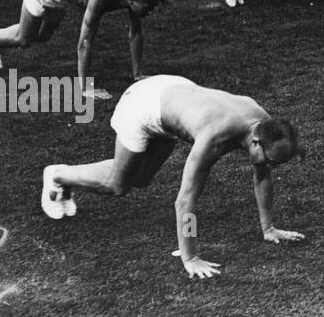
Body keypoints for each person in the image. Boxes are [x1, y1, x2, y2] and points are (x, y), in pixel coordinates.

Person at [41, 75, 304, 280]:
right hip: (142, 106)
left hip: (172, 90)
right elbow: (185, 201)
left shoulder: (266, 127)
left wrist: (269, 228)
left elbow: (262, 175)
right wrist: (191, 258)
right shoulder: (214, 137)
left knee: (141, 178)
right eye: (271, 161)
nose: (272, 167)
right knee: (118, 184)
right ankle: (57, 175)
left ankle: (69, 176)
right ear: (256, 143)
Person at [0, 0, 163, 98]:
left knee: (43, 36)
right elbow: (85, 42)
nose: (151, 11)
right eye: (149, 7)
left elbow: (135, 33)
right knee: (23, 38)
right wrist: (86, 88)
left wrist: (137, 74)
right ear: (132, 0)